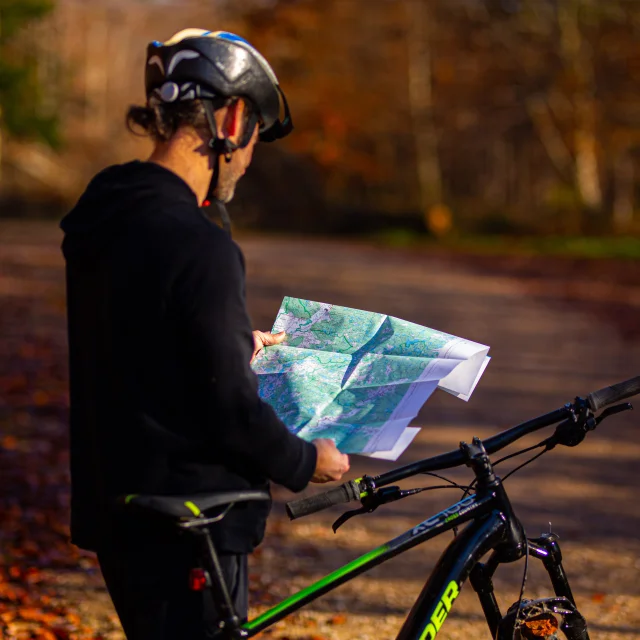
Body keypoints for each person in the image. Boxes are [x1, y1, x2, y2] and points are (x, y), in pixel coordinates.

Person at [59, 29, 350, 639]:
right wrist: (306, 460)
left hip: (121, 507)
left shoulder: (109, 211)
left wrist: (227, 340)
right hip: (194, 521)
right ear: (234, 117)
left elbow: (135, 335)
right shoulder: (201, 245)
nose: (248, 158)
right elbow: (230, 412)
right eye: (253, 141)